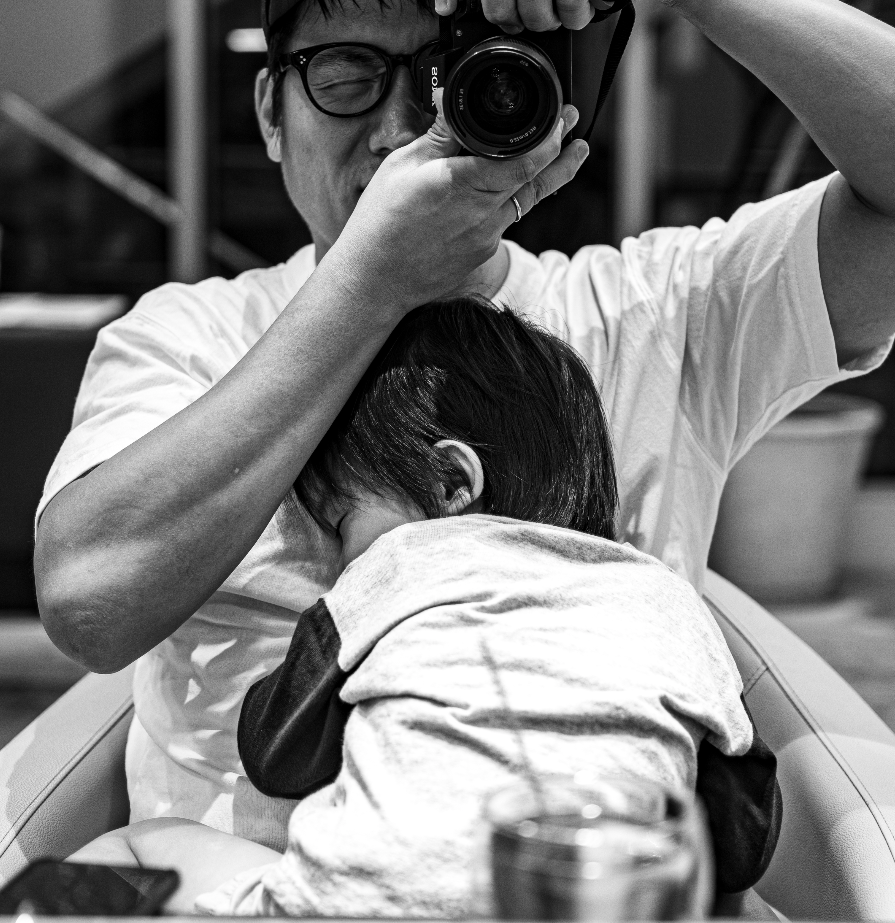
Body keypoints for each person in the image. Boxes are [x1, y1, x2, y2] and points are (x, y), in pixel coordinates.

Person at [34, 0, 895, 847]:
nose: (397, 130)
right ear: (269, 113)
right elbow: (89, 602)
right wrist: (374, 283)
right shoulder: (190, 336)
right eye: (345, 75)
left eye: (448, 75)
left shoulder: (651, 310)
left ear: (533, 97)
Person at [73, 297, 758, 918]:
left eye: (343, 523)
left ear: (452, 481)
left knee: (142, 846)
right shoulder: (667, 599)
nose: (338, 563)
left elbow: (275, 754)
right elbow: (743, 832)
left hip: (355, 909)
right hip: (590, 903)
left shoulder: (393, 568)